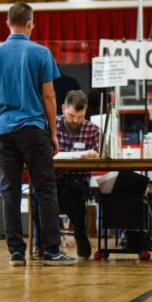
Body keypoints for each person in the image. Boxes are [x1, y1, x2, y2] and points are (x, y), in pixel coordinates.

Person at [0, 2, 75, 267]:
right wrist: (53, 133)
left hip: (3, 130)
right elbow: (49, 95)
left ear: (7, 23)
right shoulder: (40, 53)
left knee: (9, 191)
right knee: (46, 188)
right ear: (30, 23)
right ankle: (50, 250)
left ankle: (15, 252)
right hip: (33, 129)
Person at [53, 89, 99, 259]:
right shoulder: (51, 125)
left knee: (68, 190)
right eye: (72, 115)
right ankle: (78, 233)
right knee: (41, 195)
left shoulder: (93, 130)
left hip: (78, 182)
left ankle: (50, 241)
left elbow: (99, 155)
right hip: (53, 179)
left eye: (81, 116)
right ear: (64, 108)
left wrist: (94, 155)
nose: (76, 120)